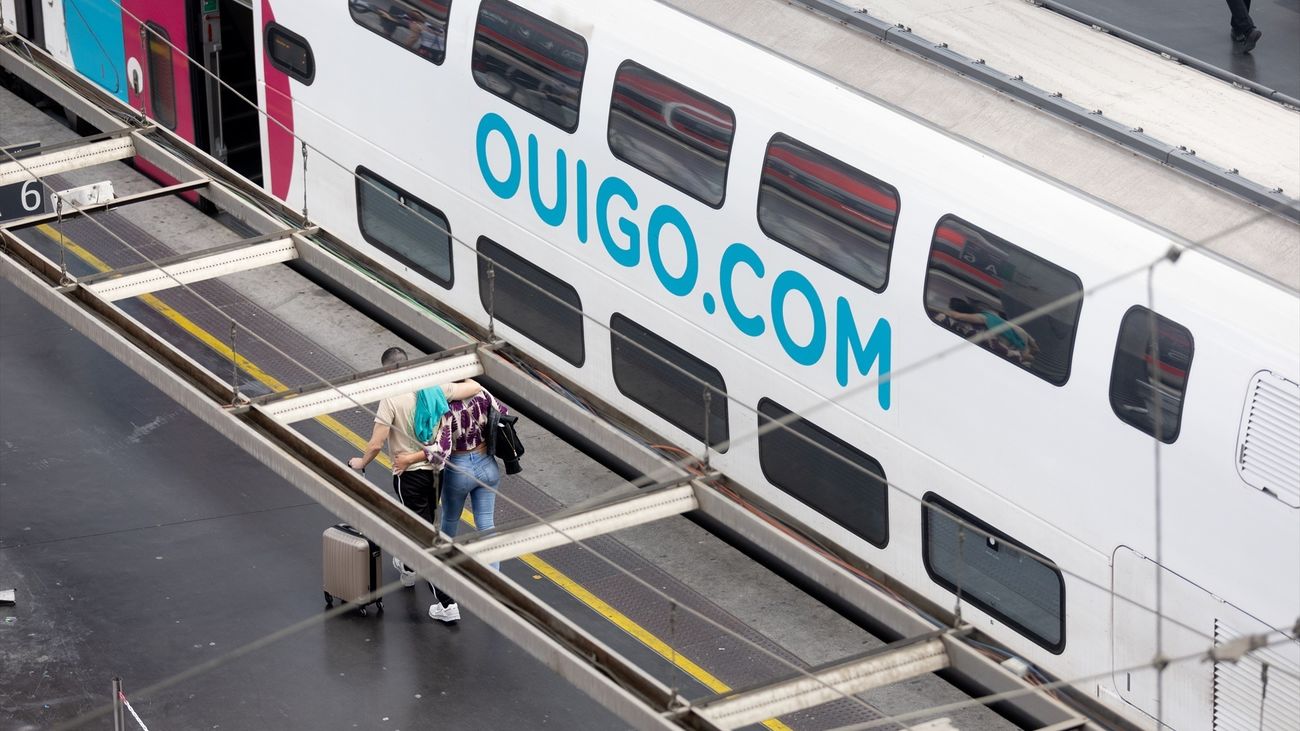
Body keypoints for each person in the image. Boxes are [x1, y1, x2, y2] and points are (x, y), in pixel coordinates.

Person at [348, 346, 480, 611]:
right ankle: (408, 569)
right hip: (436, 472)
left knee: (421, 539)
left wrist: (360, 463)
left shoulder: (391, 398)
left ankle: (446, 604)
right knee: (424, 523)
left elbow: (376, 443)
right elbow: (474, 388)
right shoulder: (433, 387)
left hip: (408, 475)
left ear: (388, 371)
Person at [393, 388, 510, 623]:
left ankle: (444, 576)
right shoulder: (483, 395)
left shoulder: (446, 407)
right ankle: (496, 586)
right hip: (487, 464)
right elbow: (502, 413)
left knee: (448, 523)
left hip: (459, 468)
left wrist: (409, 458)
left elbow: (442, 450)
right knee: (486, 523)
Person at [939, 297, 1039, 364]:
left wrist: (939, 310)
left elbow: (958, 316)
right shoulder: (990, 314)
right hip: (1022, 341)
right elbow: (1035, 348)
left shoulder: (982, 318)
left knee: (1026, 358)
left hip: (1017, 353)